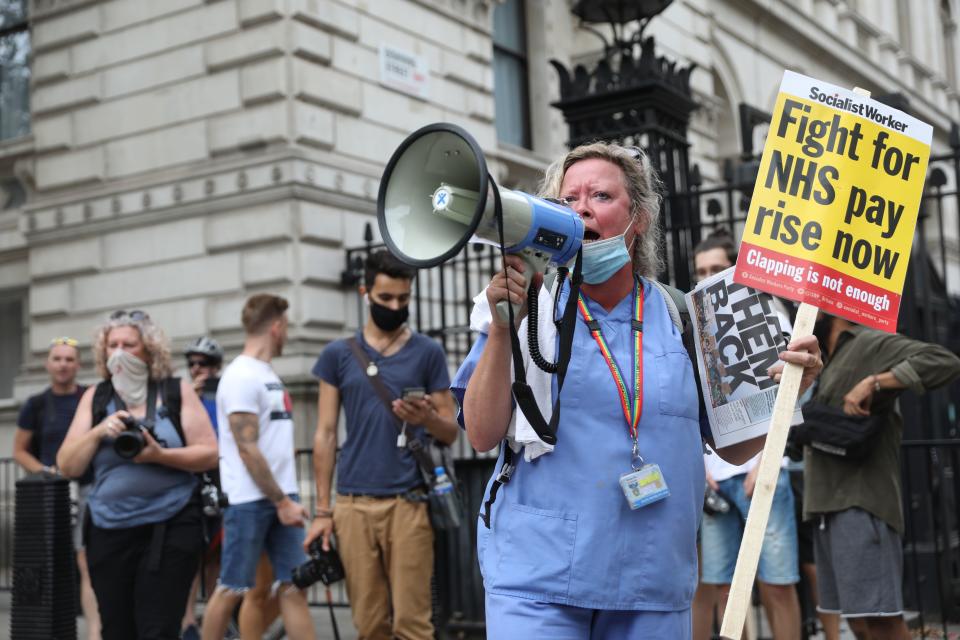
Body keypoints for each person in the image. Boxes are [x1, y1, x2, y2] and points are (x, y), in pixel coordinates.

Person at [453, 142, 823, 638]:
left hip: (651, 581)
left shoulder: (684, 318)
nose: (580, 208)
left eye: (601, 196)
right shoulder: (528, 307)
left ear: (640, 218)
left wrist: (789, 392)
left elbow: (732, 445)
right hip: (537, 582)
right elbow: (481, 433)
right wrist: (503, 329)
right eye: (567, 200)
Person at [305, 249, 460, 640]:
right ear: (365, 292)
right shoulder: (337, 355)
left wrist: (425, 417)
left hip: (408, 502)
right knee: (369, 624)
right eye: (386, 299)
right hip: (352, 505)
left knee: (413, 624)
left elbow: (451, 432)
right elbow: (323, 434)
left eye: (403, 299)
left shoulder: (427, 351)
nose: (395, 306)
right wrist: (322, 511)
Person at [56, 311, 218, 640]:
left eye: (129, 344)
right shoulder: (96, 397)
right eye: (112, 344)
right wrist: (99, 431)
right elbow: (68, 465)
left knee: (157, 628)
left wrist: (159, 455)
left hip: (170, 524)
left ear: (149, 349)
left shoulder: (174, 391)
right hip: (109, 529)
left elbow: (208, 453)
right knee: (117, 628)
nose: (119, 352)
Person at [804, 313, 960, 640]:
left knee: (880, 621)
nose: (798, 307)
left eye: (807, 302)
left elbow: (943, 361)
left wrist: (875, 382)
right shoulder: (826, 357)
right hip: (827, 504)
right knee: (860, 623)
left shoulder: (870, 341)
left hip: (860, 503)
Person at [691, 230, 802, 640]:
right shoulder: (695, 328)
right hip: (714, 477)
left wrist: (762, 464)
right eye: (701, 271)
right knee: (721, 586)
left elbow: (785, 398)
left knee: (777, 584)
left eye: (717, 268)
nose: (708, 277)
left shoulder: (769, 312)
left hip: (765, 474)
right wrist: (699, 469)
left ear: (737, 270)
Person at [201, 294, 316, 640]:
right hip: (249, 501)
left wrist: (286, 496)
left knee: (293, 587)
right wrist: (282, 502)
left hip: (283, 497)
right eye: (287, 327)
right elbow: (247, 448)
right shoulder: (240, 376)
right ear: (276, 327)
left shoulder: (266, 374)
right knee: (232, 587)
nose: (287, 334)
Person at [14, 337, 100, 640]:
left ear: (78, 364)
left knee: (86, 561)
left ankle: (93, 633)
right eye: (57, 358)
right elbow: (20, 450)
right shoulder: (36, 404)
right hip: (51, 493)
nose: (63, 364)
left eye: (69, 359)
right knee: (49, 561)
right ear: (48, 364)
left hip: (88, 487)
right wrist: (47, 472)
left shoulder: (90, 397)